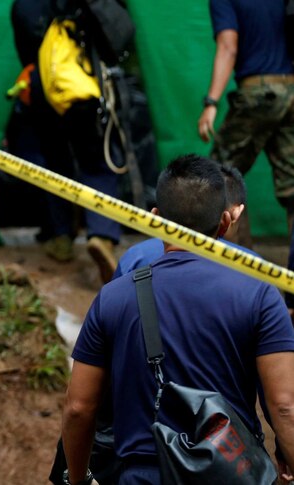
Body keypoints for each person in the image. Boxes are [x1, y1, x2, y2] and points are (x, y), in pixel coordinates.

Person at [61, 154, 294, 484]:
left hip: (143, 473)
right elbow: (284, 405)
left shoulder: (114, 297)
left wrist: (77, 478)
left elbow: (78, 407)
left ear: (155, 219)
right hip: (231, 471)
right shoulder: (260, 293)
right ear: (225, 222)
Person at [7, 0, 125, 283]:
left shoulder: (25, 5)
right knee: (98, 161)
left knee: (53, 160)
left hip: (43, 84)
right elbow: (115, 32)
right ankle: (102, 234)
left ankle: (60, 236)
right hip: (84, 83)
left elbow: (25, 48)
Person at [197, 0, 294, 247]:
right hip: (290, 90)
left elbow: (228, 46)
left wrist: (211, 102)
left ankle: (241, 271)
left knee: (220, 178)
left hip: (258, 92)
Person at [111, 164, 255, 280]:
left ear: (155, 218)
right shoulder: (255, 268)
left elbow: (109, 309)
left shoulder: (135, 257)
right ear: (228, 218)